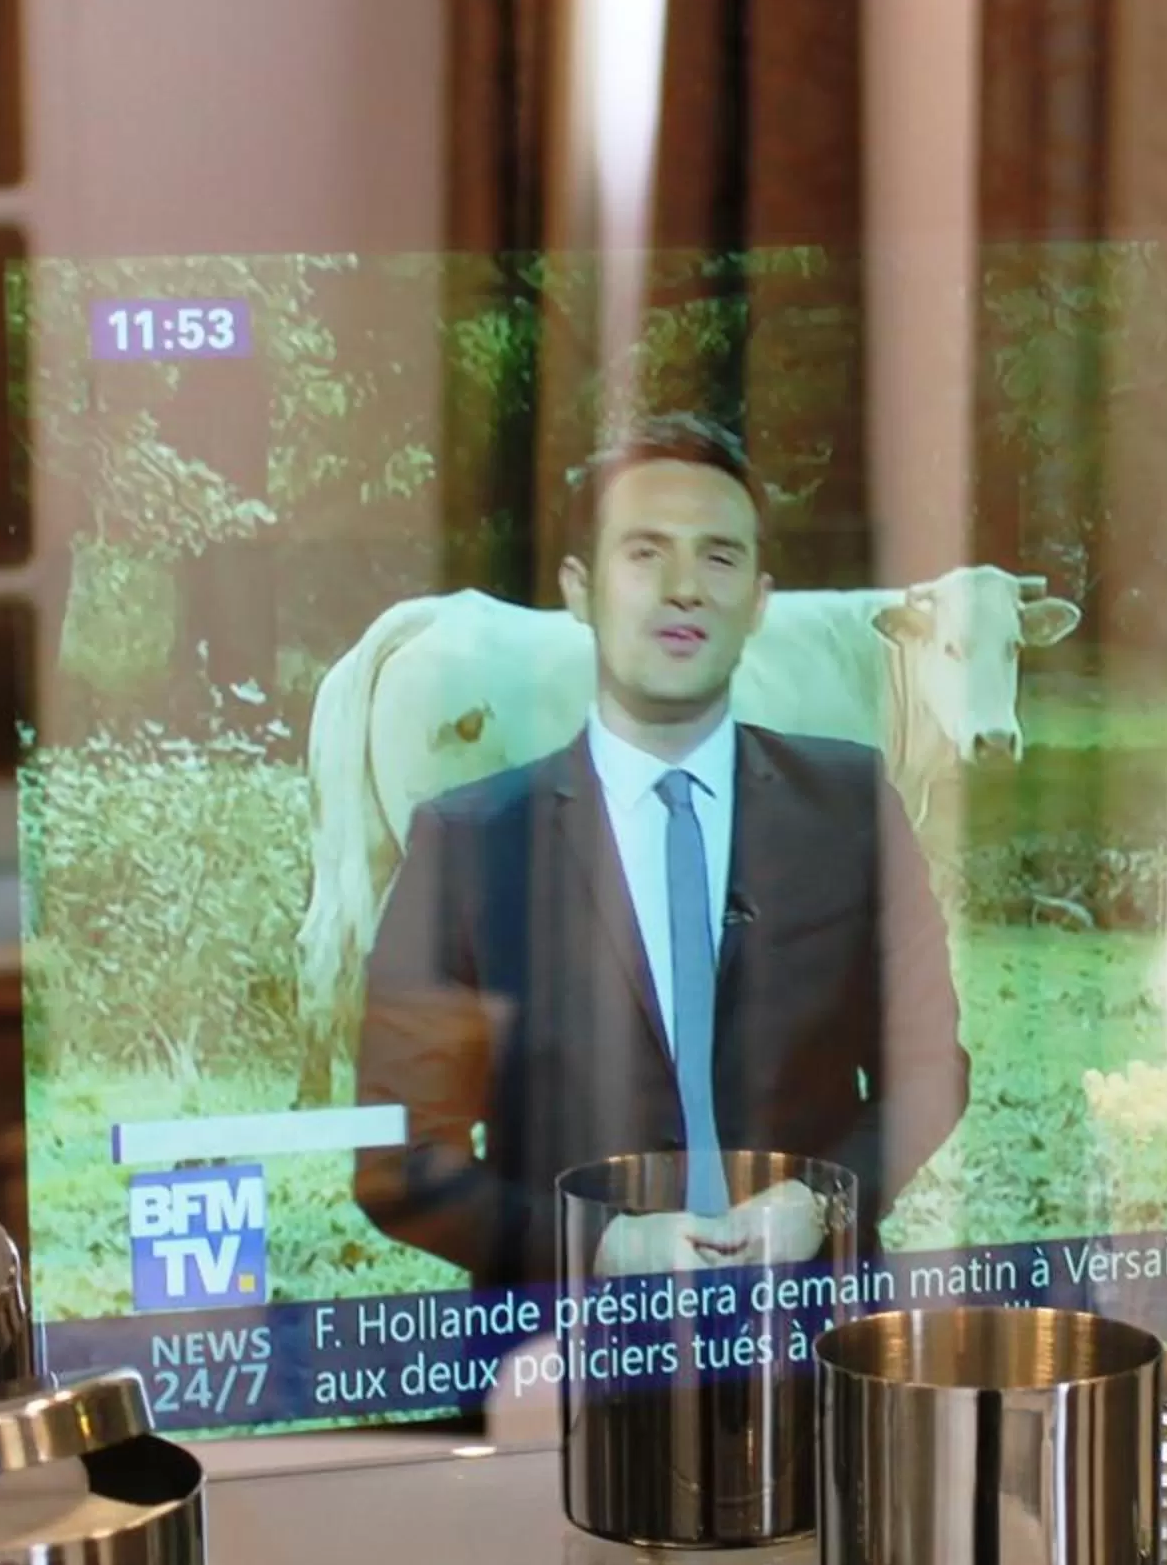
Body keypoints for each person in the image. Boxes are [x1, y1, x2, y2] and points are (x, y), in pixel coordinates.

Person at [351, 415, 968, 1287]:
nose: (685, 587)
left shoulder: (852, 806)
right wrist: (603, 1244)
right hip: (564, 1367)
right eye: (644, 553)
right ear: (578, 588)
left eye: (719, 556)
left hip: (814, 1353)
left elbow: (929, 1069)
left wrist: (822, 1202)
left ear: (759, 599)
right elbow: (402, 1160)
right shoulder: (468, 841)